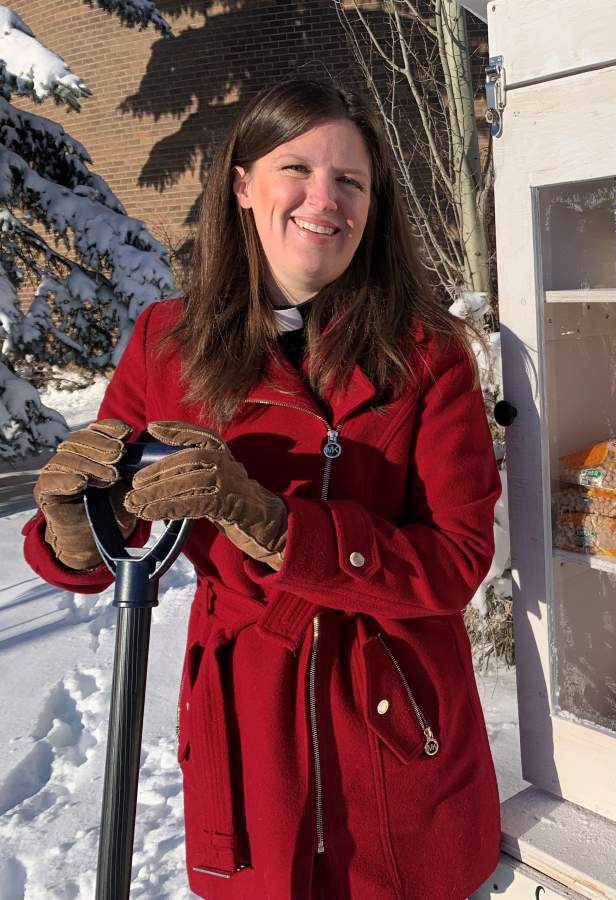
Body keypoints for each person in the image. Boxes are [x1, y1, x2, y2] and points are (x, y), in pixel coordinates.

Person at [22, 79, 502, 899]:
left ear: (373, 204)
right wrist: (76, 526)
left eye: (351, 180)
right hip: (247, 718)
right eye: (297, 169)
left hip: (391, 719)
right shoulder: (165, 346)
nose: (326, 199)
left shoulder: (428, 355)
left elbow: (455, 561)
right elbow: (112, 542)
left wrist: (286, 530)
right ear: (242, 186)